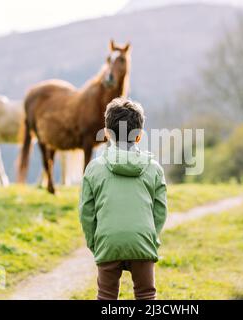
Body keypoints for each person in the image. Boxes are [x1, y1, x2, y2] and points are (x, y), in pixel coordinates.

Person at [79, 97, 168, 300]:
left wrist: (95, 242)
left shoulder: (93, 168)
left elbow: (86, 212)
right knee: (146, 294)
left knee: (106, 296)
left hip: (107, 241)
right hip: (142, 241)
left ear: (108, 134)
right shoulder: (154, 168)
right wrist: (151, 237)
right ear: (139, 137)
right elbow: (160, 210)